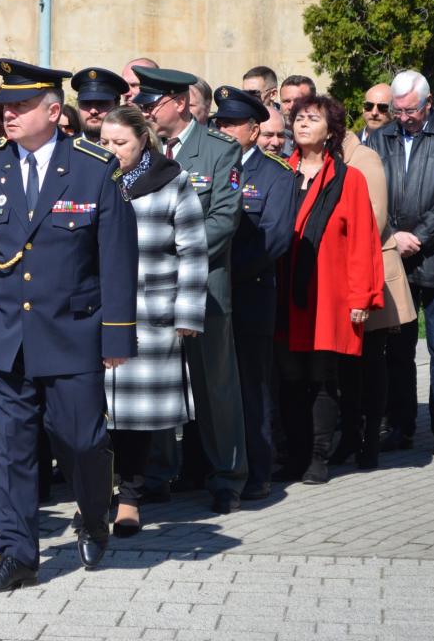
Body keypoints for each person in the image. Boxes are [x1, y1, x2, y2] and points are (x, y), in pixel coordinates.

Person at [0, 59, 137, 592]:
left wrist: (116, 334)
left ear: (54, 112)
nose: (8, 113)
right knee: (10, 450)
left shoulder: (94, 167)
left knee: (81, 442)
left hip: (72, 334)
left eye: (22, 105)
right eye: (5, 105)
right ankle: (16, 555)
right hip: (3, 336)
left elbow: (116, 257)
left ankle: (94, 515)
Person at [133, 66, 245, 513]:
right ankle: (157, 474)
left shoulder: (219, 150)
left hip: (203, 288)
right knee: (156, 381)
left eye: (151, 103)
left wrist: (173, 255)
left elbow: (224, 219)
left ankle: (227, 477)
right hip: (151, 291)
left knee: (214, 387)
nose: (144, 111)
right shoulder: (141, 151)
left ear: (179, 103)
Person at [98, 105, 205, 537]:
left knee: (135, 418)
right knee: (95, 413)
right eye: (104, 142)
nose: (111, 150)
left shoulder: (172, 181)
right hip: (97, 313)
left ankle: (130, 498)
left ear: (143, 140)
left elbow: (193, 250)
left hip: (149, 313)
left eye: (120, 142)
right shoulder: (93, 179)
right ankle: (96, 495)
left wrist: (187, 312)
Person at [277, 95, 384, 485]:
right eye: (298, 118)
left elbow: (362, 242)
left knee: (322, 375)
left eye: (313, 118)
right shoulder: (280, 172)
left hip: (328, 296)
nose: (303, 124)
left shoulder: (348, 179)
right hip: (285, 293)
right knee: (290, 377)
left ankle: (318, 457)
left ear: (331, 131)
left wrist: (362, 297)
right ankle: (295, 455)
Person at [367, 70, 434, 456]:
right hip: (397, 258)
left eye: (410, 110)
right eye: (397, 110)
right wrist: (393, 235)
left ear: (428, 103)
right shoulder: (381, 138)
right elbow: (370, 193)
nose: (403, 117)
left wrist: (421, 237)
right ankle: (401, 425)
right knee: (398, 351)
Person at [212, 86, 294, 500]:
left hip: (249, 295)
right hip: (210, 295)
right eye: (220, 123)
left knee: (252, 386)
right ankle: (208, 467)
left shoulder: (276, 175)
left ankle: (258, 470)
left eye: (233, 124)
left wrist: (225, 272)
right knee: (211, 386)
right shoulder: (208, 168)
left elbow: (273, 240)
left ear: (254, 129)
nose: (224, 130)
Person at [329, 126, 416, 470]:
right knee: (346, 367)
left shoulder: (363, 158)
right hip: (337, 276)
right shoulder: (318, 158)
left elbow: (374, 219)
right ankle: (350, 435)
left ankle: (370, 441)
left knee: (371, 361)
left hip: (368, 271)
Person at [71, 67, 126, 141]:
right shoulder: (64, 147)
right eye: (86, 103)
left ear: (117, 105)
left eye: (101, 103)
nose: (93, 111)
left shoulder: (130, 147)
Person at [278, 75, 316, 158]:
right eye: (286, 101)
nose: (291, 107)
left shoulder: (328, 140)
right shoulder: (269, 138)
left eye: (298, 101)